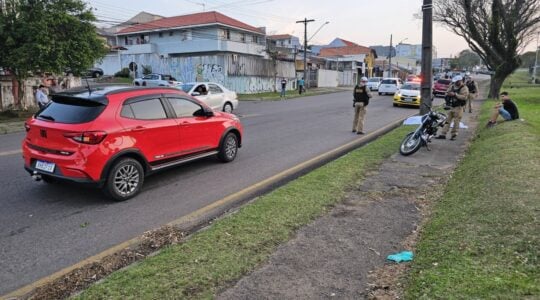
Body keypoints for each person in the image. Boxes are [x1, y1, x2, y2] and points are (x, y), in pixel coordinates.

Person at [436, 75, 469, 140]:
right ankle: (443, 134)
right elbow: (447, 92)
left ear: (460, 81)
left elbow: (464, 97)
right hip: (450, 106)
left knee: (456, 122)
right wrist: (448, 94)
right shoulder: (452, 86)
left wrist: (455, 95)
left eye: (457, 82)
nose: (455, 83)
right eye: (455, 82)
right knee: (447, 121)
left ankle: (454, 135)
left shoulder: (464, 88)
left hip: (458, 107)